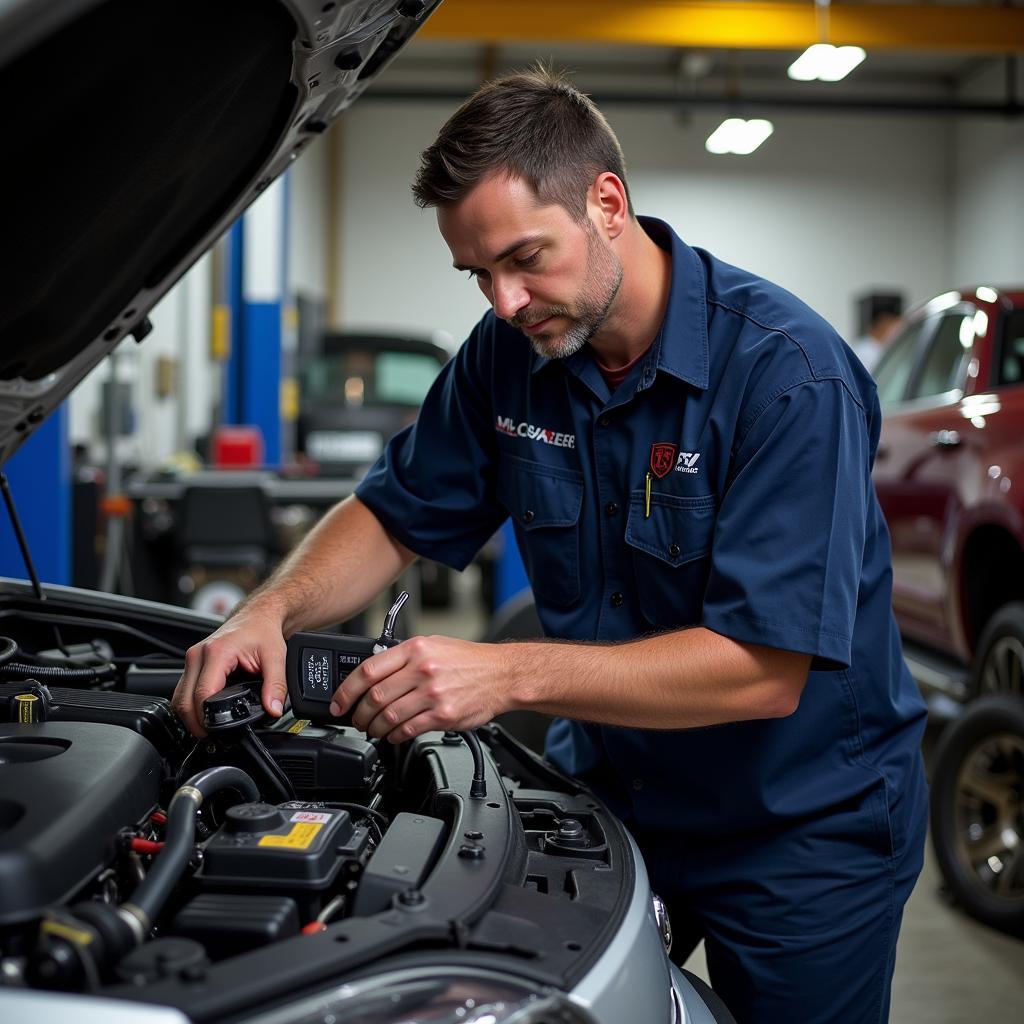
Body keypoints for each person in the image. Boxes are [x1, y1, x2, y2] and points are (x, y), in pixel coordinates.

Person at [173, 67, 928, 1023]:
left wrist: (506, 674)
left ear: (607, 203)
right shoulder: (513, 354)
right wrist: (266, 611)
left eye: (526, 257)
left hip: (800, 835)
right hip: (615, 800)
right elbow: (393, 511)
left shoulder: (788, 379)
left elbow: (763, 669)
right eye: (478, 274)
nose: (504, 300)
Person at [851, 295, 903, 374]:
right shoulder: (864, 353)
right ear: (882, 322)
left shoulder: (885, 349)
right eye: (894, 323)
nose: (898, 328)